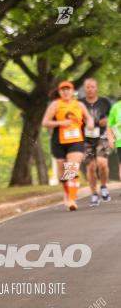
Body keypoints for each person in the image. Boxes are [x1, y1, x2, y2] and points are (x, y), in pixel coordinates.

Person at [42, 81, 94, 211]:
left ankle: (72, 199)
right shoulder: (55, 105)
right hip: (59, 140)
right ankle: (67, 192)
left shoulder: (79, 105)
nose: (65, 92)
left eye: (68, 89)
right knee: (63, 174)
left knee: (72, 168)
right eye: (63, 90)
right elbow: (45, 122)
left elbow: (89, 118)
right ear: (59, 92)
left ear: (72, 91)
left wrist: (90, 124)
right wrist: (61, 122)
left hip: (76, 140)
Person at [81, 78, 111, 206]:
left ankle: (103, 186)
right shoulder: (79, 103)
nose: (90, 89)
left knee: (102, 163)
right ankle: (94, 194)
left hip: (102, 136)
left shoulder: (104, 102)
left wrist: (107, 121)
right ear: (84, 89)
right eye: (88, 87)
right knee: (91, 167)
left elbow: (113, 116)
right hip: (86, 139)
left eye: (92, 87)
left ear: (96, 88)